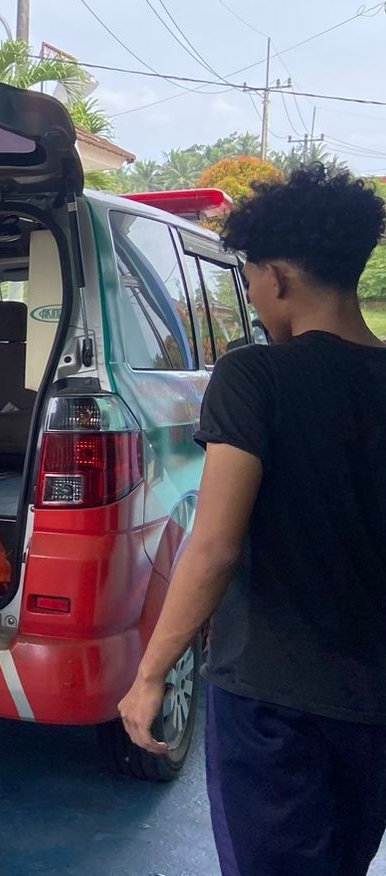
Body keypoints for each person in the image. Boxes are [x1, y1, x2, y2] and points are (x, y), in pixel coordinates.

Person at [118, 164, 386, 876]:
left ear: (277, 277)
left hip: (273, 702)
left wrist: (150, 675)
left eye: (251, 280)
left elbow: (214, 547)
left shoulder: (256, 375)